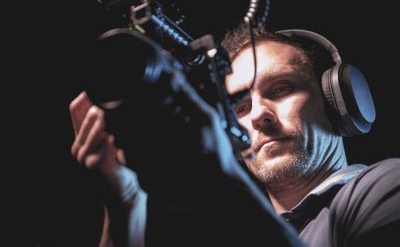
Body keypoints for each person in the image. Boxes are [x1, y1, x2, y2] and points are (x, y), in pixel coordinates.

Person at [69, 23, 400, 247]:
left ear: (338, 99)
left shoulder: (386, 186)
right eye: (240, 107)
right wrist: (123, 207)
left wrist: (218, 181)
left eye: (282, 88)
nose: (258, 115)